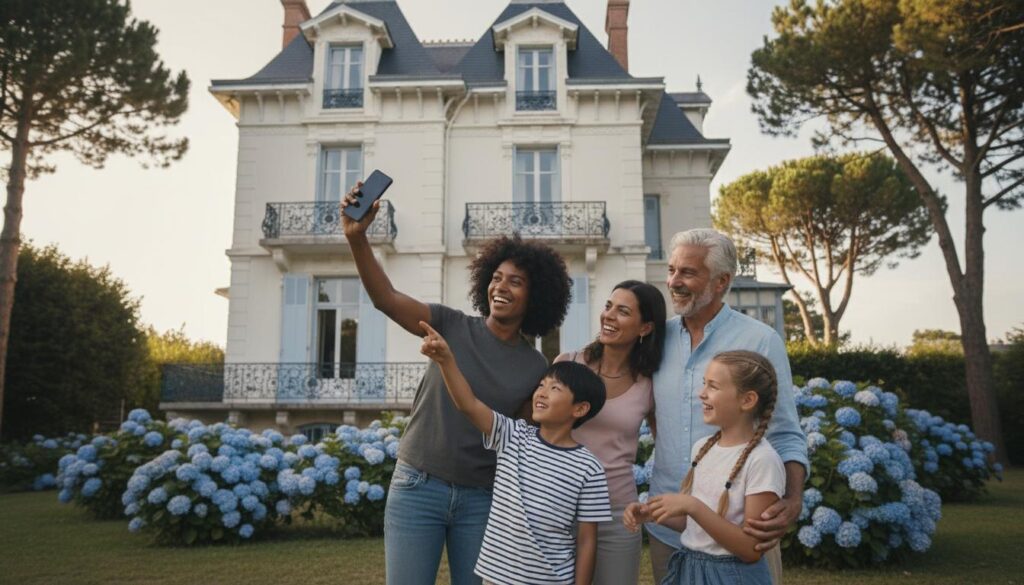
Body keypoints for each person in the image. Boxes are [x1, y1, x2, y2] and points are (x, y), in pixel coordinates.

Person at [340, 185, 573, 585]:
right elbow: (386, 298)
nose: (501, 287)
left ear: (535, 297)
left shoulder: (536, 367)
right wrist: (357, 238)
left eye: (515, 282)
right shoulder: (449, 324)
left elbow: (517, 440)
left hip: (481, 500)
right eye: (496, 278)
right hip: (417, 487)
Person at [647, 229, 808, 585]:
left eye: (687, 272)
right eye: (672, 270)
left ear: (722, 281)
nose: (674, 281)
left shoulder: (760, 340)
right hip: (668, 529)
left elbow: (784, 431)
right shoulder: (656, 338)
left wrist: (794, 499)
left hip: (740, 536)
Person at [419, 321, 612, 585]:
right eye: (541, 386)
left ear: (579, 409)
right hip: (495, 580)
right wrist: (447, 361)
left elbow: (588, 539)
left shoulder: (588, 467)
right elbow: (469, 405)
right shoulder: (513, 435)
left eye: (555, 389)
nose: (541, 394)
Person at [624, 351, 785, 585]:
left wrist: (692, 506)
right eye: (703, 384)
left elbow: (751, 549)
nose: (702, 394)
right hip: (692, 569)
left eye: (713, 386)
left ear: (747, 400)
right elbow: (696, 525)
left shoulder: (762, 460)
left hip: (733, 576)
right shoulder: (703, 448)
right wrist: (651, 513)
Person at [554, 280, 666, 585]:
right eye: (608, 306)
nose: (609, 316)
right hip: (557, 507)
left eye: (623, 311)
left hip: (616, 513)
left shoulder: (649, 384)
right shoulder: (567, 364)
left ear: (644, 328)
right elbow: (537, 436)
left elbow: (665, 447)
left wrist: (658, 500)